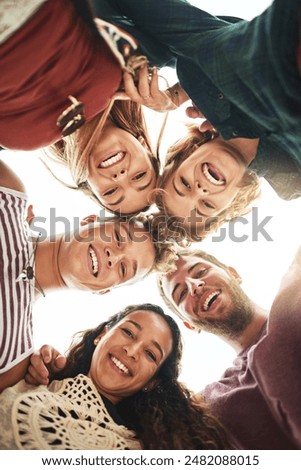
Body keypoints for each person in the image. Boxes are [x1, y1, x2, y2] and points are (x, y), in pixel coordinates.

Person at [94, 0, 301, 205]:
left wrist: (178, 95)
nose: (199, 190)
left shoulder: (196, 76)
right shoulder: (291, 181)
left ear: (187, 155)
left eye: (183, 184)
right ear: (230, 203)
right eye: (206, 205)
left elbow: (162, 17)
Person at [0, 160, 175, 392]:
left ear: (102, 290)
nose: (114, 257)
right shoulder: (9, 196)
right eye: (118, 238)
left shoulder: (15, 357)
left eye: (123, 270)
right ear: (91, 221)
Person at [0, 0, 161, 215]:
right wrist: (175, 92)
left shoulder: (20, 141)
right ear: (144, 146)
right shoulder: (128, 67)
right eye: (139, 176)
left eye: (111, 192)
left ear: (87, 182)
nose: (121, 176)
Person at [0, 304, 231, 450]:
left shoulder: (133, 448)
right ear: (101, 335)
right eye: (128, 332)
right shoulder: (34, 374)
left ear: (152, 382)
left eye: (150, 354)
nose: (131, 351)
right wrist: (23, 364)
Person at [158, 248, 301, 449]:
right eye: (181, 293)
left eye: (200, 272)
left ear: (233, 273)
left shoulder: (296, 290)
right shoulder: (213, 402)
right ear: (191, 325)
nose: (195, 286)